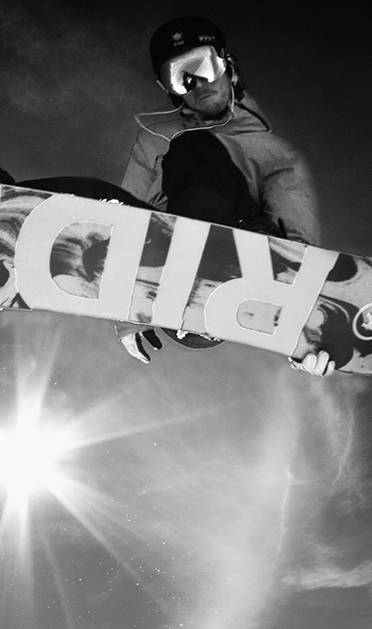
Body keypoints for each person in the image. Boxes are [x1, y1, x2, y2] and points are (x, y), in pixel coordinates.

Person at [117, 16, 334, 376]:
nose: (197, 83)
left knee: (197, 147)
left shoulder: (275, 154)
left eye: (202, 65)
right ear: (169, 89)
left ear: (226, 65)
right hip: (167, 262)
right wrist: (125, 307)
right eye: (181, 77)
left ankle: (224, 277)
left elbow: (297, 243)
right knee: (169, 159)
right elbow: (123, 215)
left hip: (244, 261)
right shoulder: (154, 141)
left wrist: (304, 334)